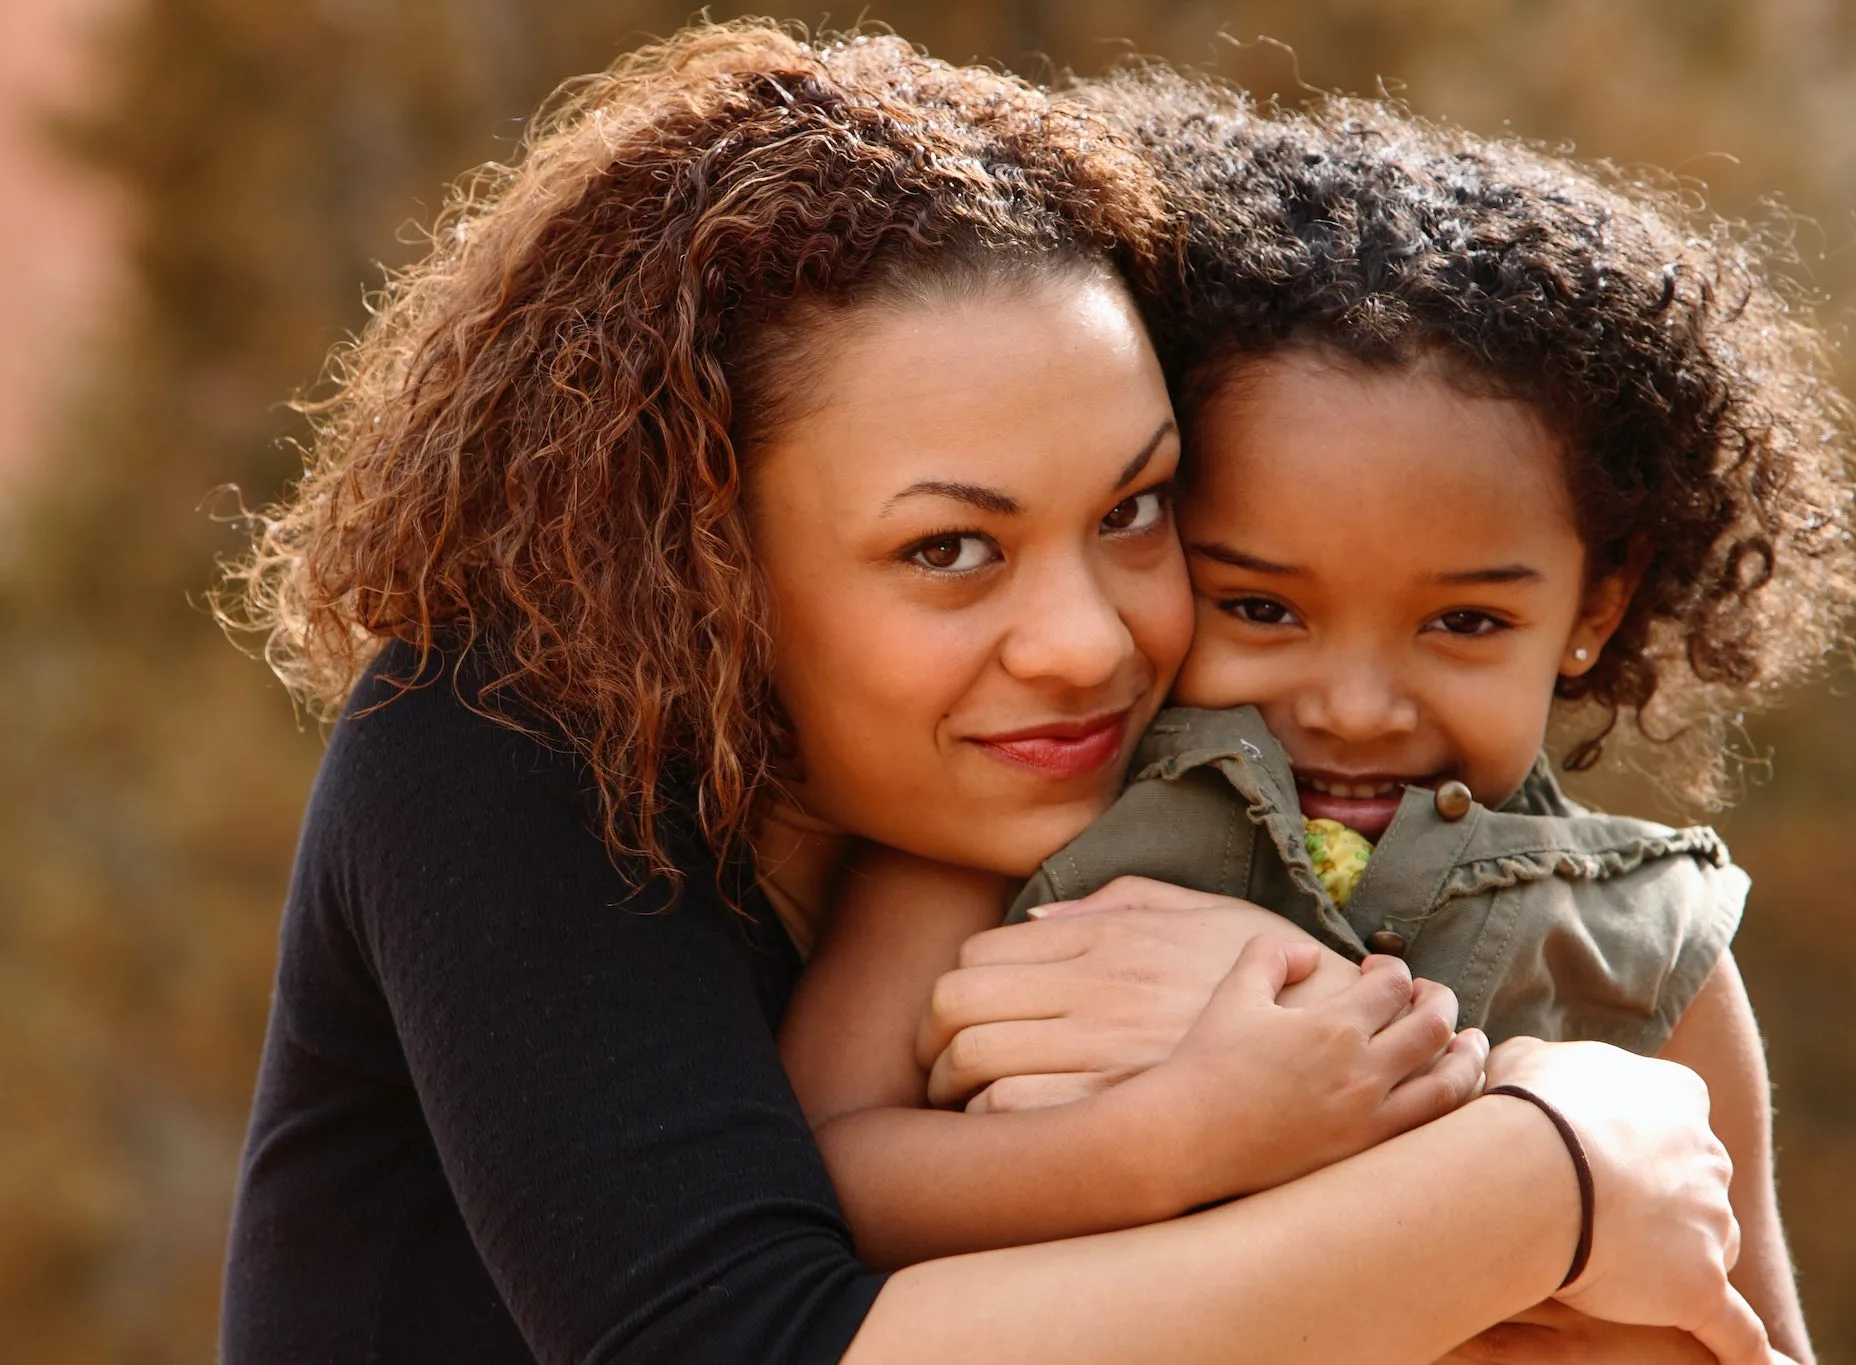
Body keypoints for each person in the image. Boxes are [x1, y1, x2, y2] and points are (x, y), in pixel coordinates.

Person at [216, 22, 1774, 1364]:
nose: (1087, 642)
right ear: (699, 563)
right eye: (952, 547)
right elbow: (740, 1341)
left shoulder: (1145, 808)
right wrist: (1547, 1170)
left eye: (1135, 507)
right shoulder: (498, 742)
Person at [780, 82, 1854, 1361]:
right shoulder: (1008, 845)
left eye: (1460, 625)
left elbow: (1754, 1331)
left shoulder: (1647, 947)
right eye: (1261, 607)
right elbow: (819, 1177)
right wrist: (1174, 1137)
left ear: (1596, 605)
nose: (1352, 707)